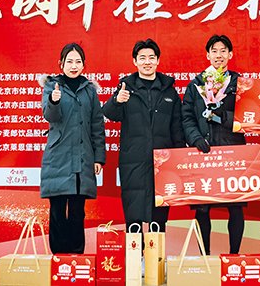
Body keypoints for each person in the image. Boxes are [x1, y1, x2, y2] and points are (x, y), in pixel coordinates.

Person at [102, 39, 185, 232]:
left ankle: (157, 251)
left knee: (159, 218)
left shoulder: (169, 92)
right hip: (134, 160)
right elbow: (109, 113)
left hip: (163, 162)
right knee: (134, 216)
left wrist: (179, 158)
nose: (147, 62)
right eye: (142, 58)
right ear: (135, 61)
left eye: (151, 57)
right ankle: (135, 251)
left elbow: (177, 128)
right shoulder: (126, 88)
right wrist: (117, 101)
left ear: (157, 60)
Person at [182, 34, 246, 254]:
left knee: (236, 206)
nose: (219, 55)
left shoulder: (239, 83)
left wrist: (222, 116)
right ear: (207, 55)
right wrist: (195, 138)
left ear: (230, 54)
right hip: (204, 151)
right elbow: (186, 117)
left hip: (232, 151)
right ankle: (205, 257)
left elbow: (247, 115)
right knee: (202, 207)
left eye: (223, 51)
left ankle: (234, 257)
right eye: (214, 51)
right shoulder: (196, 84)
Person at [40, 42, 105, 254]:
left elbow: (97, 125)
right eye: (69, 61)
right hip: (58, 157)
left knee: (78, 211)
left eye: (78, 61)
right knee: (57, 210)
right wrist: (54, 101)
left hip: (83, 158)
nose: (74, 66)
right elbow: (50, 116)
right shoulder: (52, 86)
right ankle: (59, 258)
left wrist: (99, 158)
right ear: (61, 64)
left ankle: (77, 258)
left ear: (84, 65)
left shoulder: (89, 91)